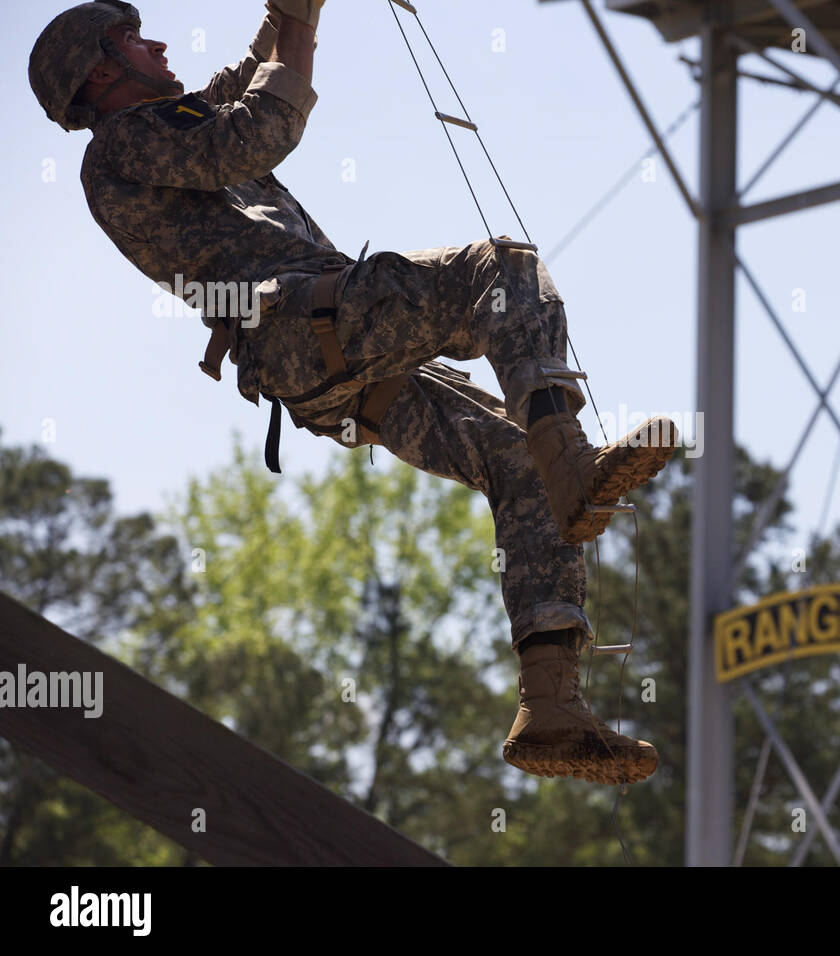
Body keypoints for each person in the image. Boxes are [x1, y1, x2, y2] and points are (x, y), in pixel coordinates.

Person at [29, 0, 675, 786]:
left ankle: (549, 705)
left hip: (324, 367)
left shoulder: (166, 127)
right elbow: (259, 130)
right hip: (304, 327)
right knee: (501, 271)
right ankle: (571, 463)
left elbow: (243, 81)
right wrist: (300, 26)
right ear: (101, 73)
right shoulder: (122, 145)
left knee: (518, 463)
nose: (158, 42)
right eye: (132, 38)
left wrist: (287, 14)